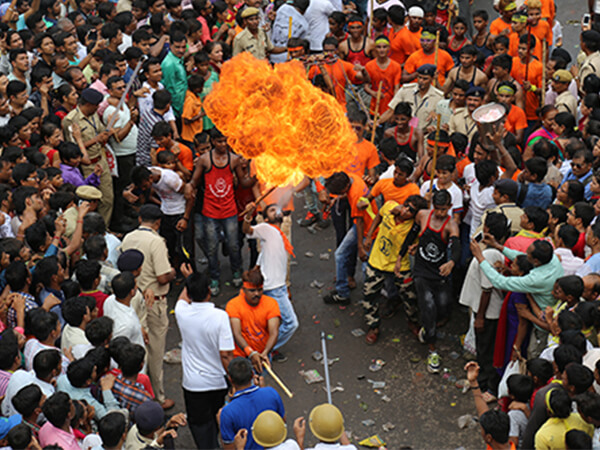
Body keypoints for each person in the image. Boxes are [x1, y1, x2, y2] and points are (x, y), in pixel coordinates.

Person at [470, 235, 564, 359]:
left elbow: (500, 282)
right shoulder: (551, 259)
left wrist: (480, 257)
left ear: (536, 261)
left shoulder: (536, 279)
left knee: (533, 354)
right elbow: (524, 258)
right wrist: (498, 246)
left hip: (541, 325)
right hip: (540, 313)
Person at [121, 204, 176, 410]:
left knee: (136, 346)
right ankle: (158, 397)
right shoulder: (157, 241)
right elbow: (162, 276)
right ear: (158, 222)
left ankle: (138, 392)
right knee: (154, 351)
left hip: (132, 296)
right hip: (154, 303)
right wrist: (172, 272)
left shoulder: (128, 238)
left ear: (139, 219)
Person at [188, 128, 255, 296]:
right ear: (212, 142)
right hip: (210, 212)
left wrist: (260, 175)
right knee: (211, 248)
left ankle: (236, 272)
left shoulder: (233, 160)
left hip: (229, 211)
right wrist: (188, 187)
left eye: (225, 141)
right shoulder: (204, 160)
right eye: (219, 141)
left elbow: (244, 183)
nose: (223, 144)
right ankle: (215, 279)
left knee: (233, 245)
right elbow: (194, 181)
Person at [174, 268, 234, 449]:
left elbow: (182, 298)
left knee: (200, 424)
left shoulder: (181, 312)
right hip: (217, 381)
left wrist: (189, 280)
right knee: (219, 418)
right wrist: (233, 380)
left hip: (193, 384)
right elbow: (226, 354)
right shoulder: (220, 317)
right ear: (209, 291)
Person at [361, 195, 428, 343]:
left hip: (400, 266)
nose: (405, 211)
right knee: (369, 295)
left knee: (410, 296)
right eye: (406, 206)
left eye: (411, 211)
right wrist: (370, 235)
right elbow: (378, 215)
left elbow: (418, 242)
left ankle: (413, 321)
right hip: (377, 261)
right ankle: (373, 326)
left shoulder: (414, 226)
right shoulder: (389, 206)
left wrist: (414, 248)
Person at [407, 190, 460, 373]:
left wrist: (452, 262)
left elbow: (456, 247)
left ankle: (429, 328)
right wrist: (405, 252)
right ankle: (432, 350)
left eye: (443, 210)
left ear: (450, 207)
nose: (439, 213)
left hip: (439, 272)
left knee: (444, 305)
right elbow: (412, 234)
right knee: (428, 306)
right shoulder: (422, 215)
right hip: (422, 271)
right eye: (437, 209)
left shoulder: (451, 225)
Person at [242, 204, 298, 359]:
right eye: (272, 210)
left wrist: (256, 268)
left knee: (270, 322)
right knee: (291, 323)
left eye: (277, 209)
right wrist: (248, 215)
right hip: (273, 288)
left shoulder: (279, 234)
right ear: (266, 218)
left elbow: (262, 258)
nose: (277, 211)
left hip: (278, 287)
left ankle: (266, 348)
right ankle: (265, 349)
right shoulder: (267, 229)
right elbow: (247, 230)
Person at [62, 87, 114, 225]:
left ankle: (105, 228)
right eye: (96, 105)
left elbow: (101, 131)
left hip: (100, 160)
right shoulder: (71, 120)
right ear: (88, 105)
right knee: (90, 202)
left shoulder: (94, 114)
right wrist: (95, 140)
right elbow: (73, 149)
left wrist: (106, 134)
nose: (98, 108)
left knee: (108, 199)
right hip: (86, 165)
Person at [219, 357, 285, 450]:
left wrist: (219, 422)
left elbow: (229, 447)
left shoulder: (227, 412)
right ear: (252, 374)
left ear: (230, 379)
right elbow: (281, 422)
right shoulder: (271, 393)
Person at [225, 267, 280, 374]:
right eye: (252, 290)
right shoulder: (233, 305)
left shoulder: (271, 304)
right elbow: (236, 333)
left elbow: (274, 332)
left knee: (260, 383)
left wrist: (264, 353)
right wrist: (250, 353)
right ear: (243, 290)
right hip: (241, 357)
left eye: (259, 290)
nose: (257, 294)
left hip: (262, 355)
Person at [160, 31, 187, 117]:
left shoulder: (178, 58)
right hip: (176, 109)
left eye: (183, 47)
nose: (181, 50)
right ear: (170, 46)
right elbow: (169, 87)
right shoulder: (169, 64)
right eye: (177, 47)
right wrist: (177, 108)